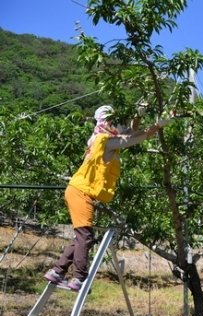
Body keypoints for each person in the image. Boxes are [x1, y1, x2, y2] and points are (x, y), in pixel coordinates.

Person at [44, 105, 172, 291]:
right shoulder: (106, 141)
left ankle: (57, 271)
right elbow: (136, 137)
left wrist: (138, 115)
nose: (117, 124)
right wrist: (159, 125)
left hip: (78, 190)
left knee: (81, 236)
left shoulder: (99, 138)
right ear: (107, 122)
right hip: (81, 191)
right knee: (85, 237)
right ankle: (79, 278)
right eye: (114, 121)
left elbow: (130, 132)